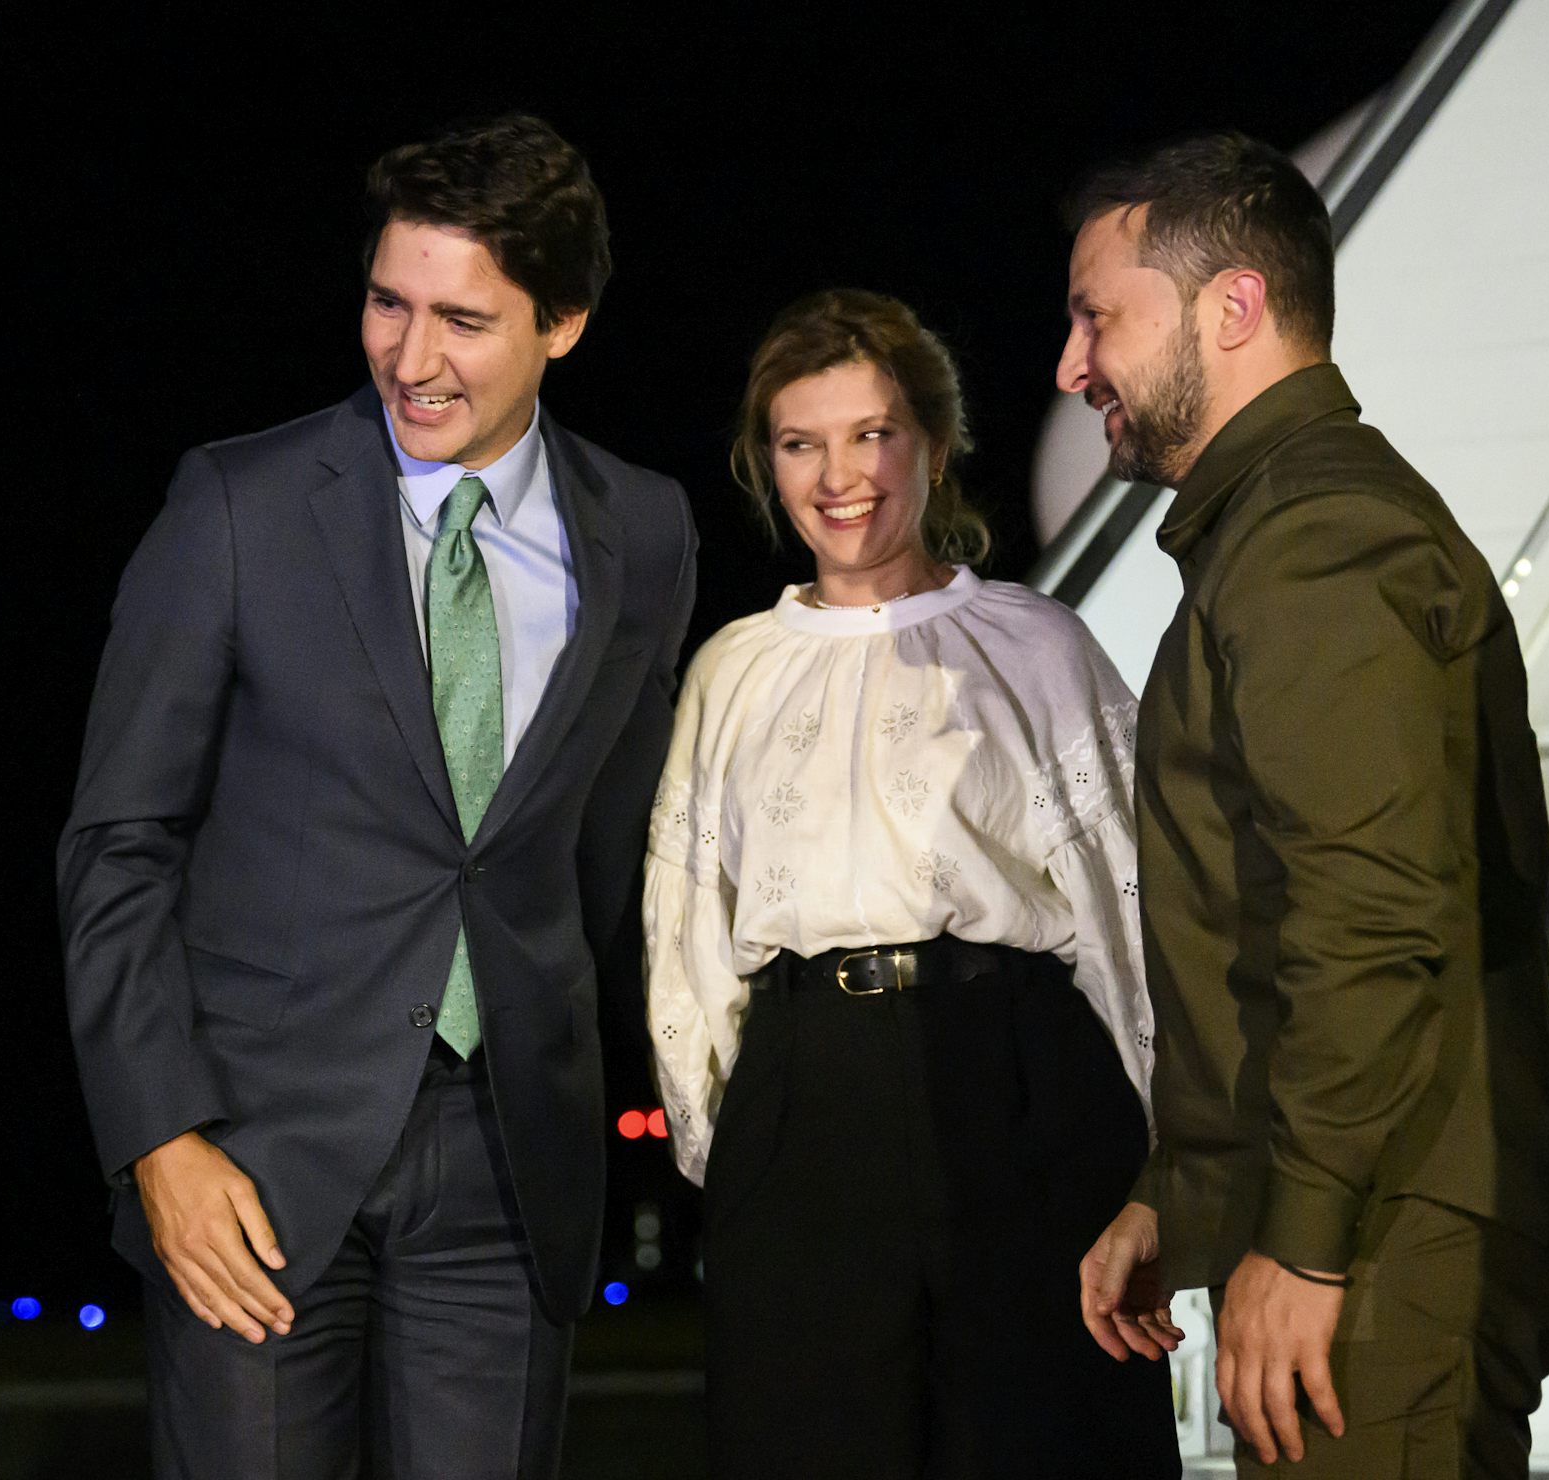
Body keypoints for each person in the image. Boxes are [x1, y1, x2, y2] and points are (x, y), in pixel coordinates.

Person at [58, 114, 696, 1479]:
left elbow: (606, 852)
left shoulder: (645, 532)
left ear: (563, 323)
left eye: (462, 319)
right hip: (254, 1162)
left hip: (508, 1169)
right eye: (387, 304)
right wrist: (160, 1139)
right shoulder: (237, 505)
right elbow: (118, 847)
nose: (412, 359)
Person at [1057, 132, 1549, 1477]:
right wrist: (1176, 1192)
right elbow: (1270, 917)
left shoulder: (1313, 539)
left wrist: (1303, 1237)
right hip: (1377, 1230)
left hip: (1387, 1243)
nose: (1073, 368)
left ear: (1231, 307)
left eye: (1096, 317)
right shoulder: (1276, 533)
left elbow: (1369, 916)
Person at [644, 289, 1180, 1479]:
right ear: (766, 462)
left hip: (1022, 1087)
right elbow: (685, 927)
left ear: (932, 445)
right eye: (802, 442)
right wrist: (729, 1150)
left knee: (1043, 1440)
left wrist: (1167, 1162)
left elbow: (1129, 905)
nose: (842, 474)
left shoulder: (1035, 644)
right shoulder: (731, 670)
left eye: (872, 433)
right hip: (806, 1104)